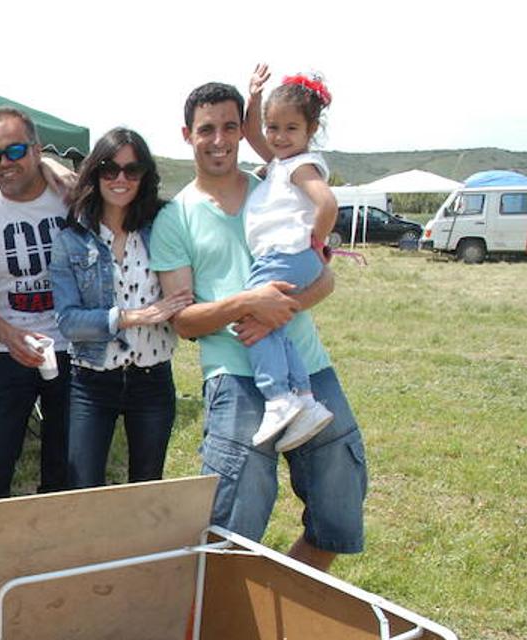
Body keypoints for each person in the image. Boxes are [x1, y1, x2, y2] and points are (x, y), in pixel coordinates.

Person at [149, 82, 367, 572]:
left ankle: (290, 609)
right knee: (231, 526)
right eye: (207, 129)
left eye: (231, 126)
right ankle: (223, 629)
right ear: (188, 135)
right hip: (234, 379)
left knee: (338, 509)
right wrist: (249, 304)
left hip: (311, 370)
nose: (220, 139)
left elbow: (324, 276)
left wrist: (279, 310)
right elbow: (183, 321)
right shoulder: (174, 219)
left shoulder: (278, 187)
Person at [50, 127, 194, 487]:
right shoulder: (71, 239)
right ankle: (93, 547)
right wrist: (137, 316)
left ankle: (143, 548)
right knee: (84, 488)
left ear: (145, 175)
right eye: (109, 169)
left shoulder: (162, 227)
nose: (120, 179)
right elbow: (68, 322)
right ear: (94, 173)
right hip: (91, 380)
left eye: (132, 170)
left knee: (146, 486)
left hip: (153, 378)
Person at [0, 106, 71, 500]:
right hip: (7, 349)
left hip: (73, 347)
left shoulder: (70, 196)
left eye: (15, 151)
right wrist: (11, 335)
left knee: (67, 470)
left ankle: (56, 555)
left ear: (37, 150)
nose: (4, 163)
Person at [239, 64, 338, 449]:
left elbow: (326, 201)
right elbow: (250, 132)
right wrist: (254, 96)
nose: (279, 137)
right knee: (274, 326)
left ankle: (278, 397)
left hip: (285, 253)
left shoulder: (299, 165)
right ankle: (304, 400)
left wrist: (316, 240)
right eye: (273, 127)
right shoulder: (283, 161)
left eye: (291, 128)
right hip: (288, 254)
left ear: (310, 131)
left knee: (252, 312)